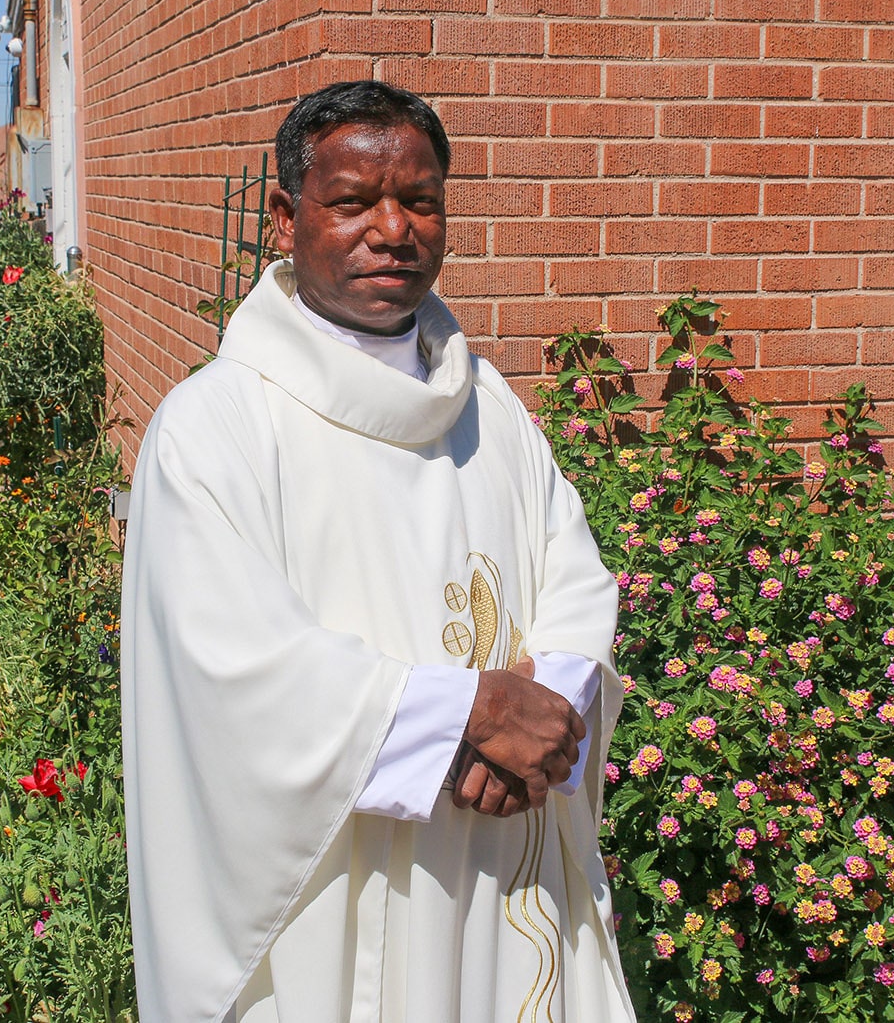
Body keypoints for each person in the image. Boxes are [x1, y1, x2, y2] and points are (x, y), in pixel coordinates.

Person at [121, 80, 633, 1023]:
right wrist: (464, 714)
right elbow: (230, 670)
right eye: (353, 201)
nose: (392, 229)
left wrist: (543, 712)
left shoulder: (489, 405)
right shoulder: (217, 426)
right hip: (335, 895)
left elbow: (574, 573)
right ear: (286, 215)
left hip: (497, 851)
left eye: (421, 200)